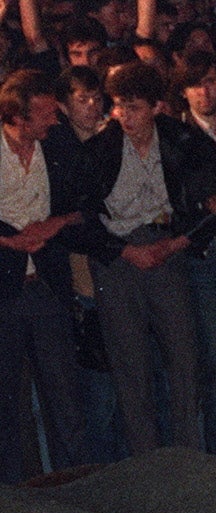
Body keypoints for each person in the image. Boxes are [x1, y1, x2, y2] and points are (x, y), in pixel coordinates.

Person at [80, 60, 216, 455]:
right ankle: (146, 460)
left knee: (184, 360)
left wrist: (177, 243)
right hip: (117, 258)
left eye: (132, 107)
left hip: (168, 249)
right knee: (130, 366)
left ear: (155, 107)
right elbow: (80, 219)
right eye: (116, 106)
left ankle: (189, 455)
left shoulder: (181, 139)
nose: (122, 116)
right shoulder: (100, 149)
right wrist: (124, 251)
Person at [0, 68, 95, 478]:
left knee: (64, 397)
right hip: (5, 287)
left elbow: (89, 202)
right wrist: (8, 241)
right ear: (18, 118)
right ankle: (17, 497)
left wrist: (53, 225)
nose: (56, 120)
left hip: (48, 287)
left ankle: (76, 490)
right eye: (45, 114)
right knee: (7, 401)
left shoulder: (57, 145)